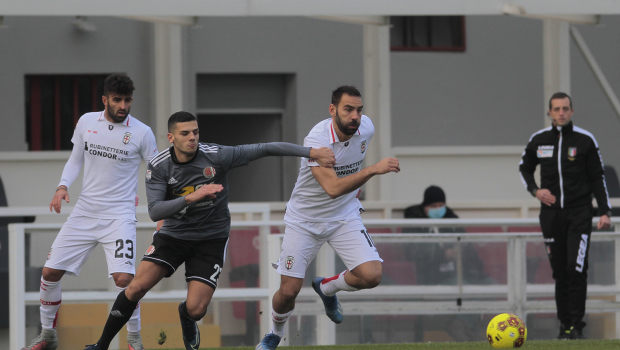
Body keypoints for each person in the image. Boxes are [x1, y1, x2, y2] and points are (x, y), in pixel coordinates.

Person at [81, 111, 336, 350]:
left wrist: (311, 151)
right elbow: (155, 212)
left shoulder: (217, 155)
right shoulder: (158, 166)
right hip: (173, 235)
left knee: (196, 309)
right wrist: (193, 196)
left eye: (195, 132)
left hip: (210, 239)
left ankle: (186, 316)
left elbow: (266, 148)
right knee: (136, 287)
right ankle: (101, 345)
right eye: (185, 134)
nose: (192, 138)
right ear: (171, 138)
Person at [256, 85, 400, 350]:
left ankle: (327, 288)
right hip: (305, 220)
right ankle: (275, 333)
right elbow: (332, 189)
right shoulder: (317, 140)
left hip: (344, 216)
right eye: (348, 109)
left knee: (372, 276)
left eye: (358, 110)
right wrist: (373, 170)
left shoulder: (366, 127)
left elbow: (341, 192)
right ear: (332, 110)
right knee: (288, 292)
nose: (355, 116)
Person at [22, 74, 159, 350]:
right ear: (104, 99)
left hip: (119, 216)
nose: (123, 106)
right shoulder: (86, 121)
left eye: (128, 100)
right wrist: (62, 186)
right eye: (117, 100)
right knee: (49, 272)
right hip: (84, 212)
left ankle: (134, 340)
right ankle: (48, 336)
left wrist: (161, 212)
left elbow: (156, 174)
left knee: (125, 279)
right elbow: (76, 159)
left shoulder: (142, 133)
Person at [519, 92, 611, 340]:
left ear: (572, 111)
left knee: (576, 267)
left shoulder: (585, 140)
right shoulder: (538, 140)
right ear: (549, 112)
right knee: (560, 271)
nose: (561, 113)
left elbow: (597, 176)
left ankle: (577, 326)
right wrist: (535, 191)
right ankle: (565, 326)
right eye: (556, 109)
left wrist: (604, 210)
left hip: (580, 213)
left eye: (565, 108)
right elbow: (524, 168)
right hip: (550, 216)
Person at [403, 185, 489, 286]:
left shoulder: (452, 222)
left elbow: (468, 248)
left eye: (441, 205)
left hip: (461, 273)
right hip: (432, 277)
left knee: (491, 284)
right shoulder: (414, 224)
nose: (438, 209)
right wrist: (442, 255)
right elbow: (412, 253)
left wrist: (461, 254)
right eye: (434, 206)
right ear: (425, 207)